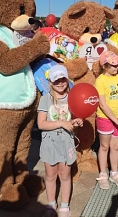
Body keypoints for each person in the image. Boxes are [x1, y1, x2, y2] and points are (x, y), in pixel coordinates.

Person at [37, 65, 83, 217]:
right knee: (50, 175)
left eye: (63, 79)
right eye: (57, 80)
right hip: (49, 143)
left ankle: (64, 205)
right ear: (50, 82)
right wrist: (61, 123)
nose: (61, 83)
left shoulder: (72, 98)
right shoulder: (45, 99)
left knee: (65, 175)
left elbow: (73, 118)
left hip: (66, 142)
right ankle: (51, 203)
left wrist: (77, 121)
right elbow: (41, 124)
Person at [94, 51, 118, 190]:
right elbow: (102, 104)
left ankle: (114, 172)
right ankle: (103, 173)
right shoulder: (100, 80)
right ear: (104, 66)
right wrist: (115, 119)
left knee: (115, 147)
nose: (116, 68)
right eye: (113, 65)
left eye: (117, 65)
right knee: (104, 146)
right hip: (105, 118)